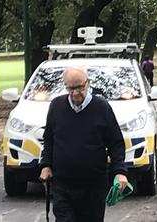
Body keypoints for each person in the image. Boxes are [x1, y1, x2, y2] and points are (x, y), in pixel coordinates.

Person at [39, 67, 128, 221]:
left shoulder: (101, 107)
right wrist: (45, 165)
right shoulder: (56, 106)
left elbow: (116, 143)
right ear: (65, 86)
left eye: (79, 87)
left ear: (88, 83)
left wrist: (119, 171)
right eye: (71, 88)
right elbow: (49, 139)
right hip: (62, 183)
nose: (75, 93)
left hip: (93, 185)